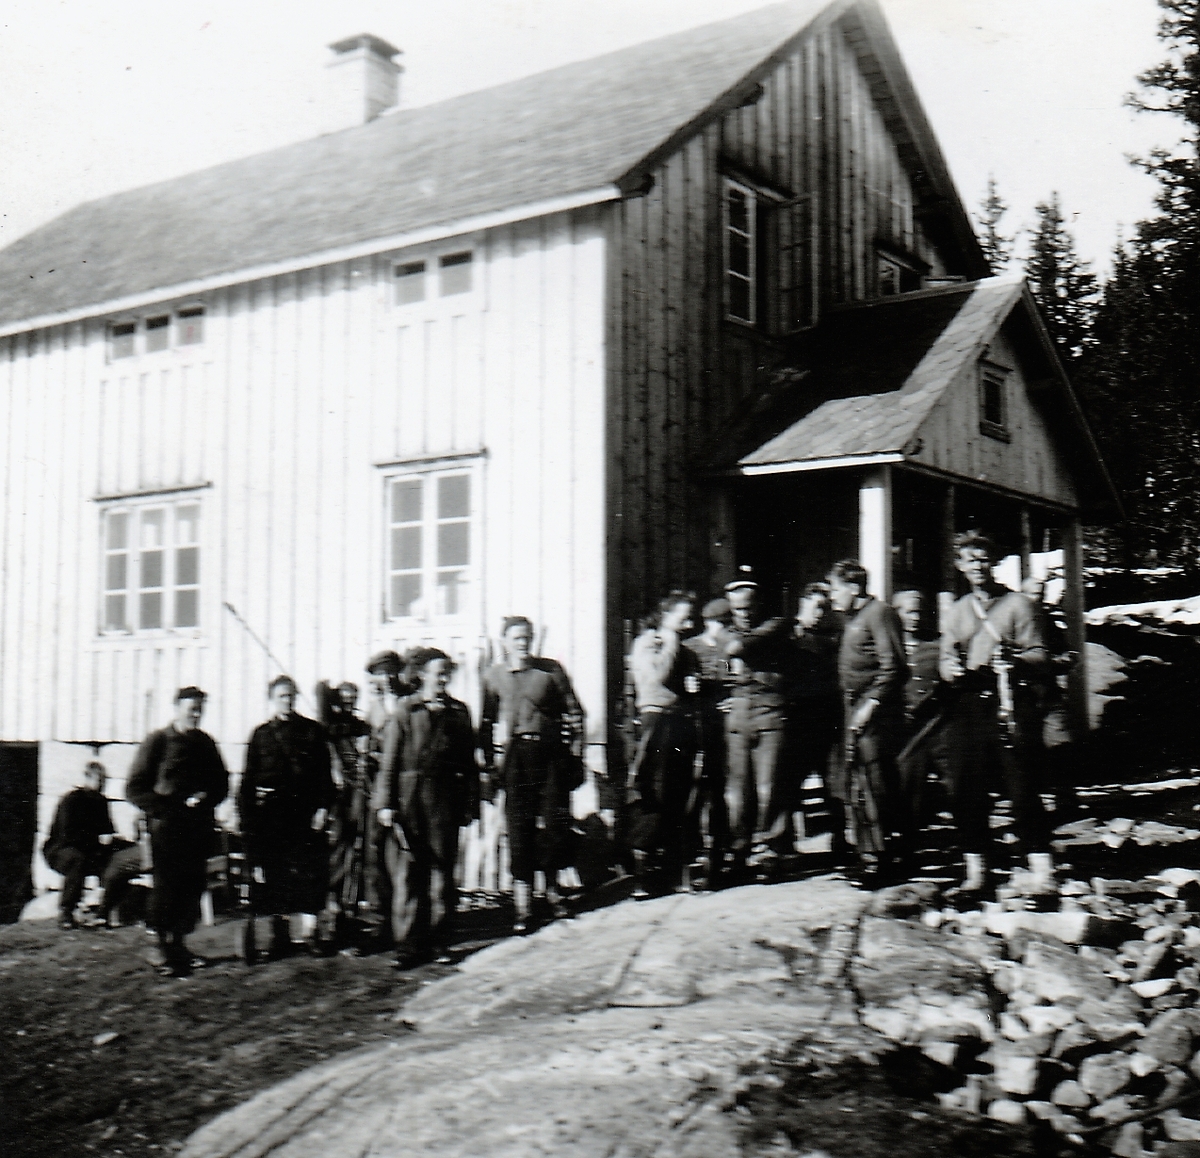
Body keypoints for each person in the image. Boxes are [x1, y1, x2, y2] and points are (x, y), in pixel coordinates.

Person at [940, 531, 1052, 893]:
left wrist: (1015, 660)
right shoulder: (957, 611)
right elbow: (946, 655)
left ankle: (1041, 869)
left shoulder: (1020, 605)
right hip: (969, 703)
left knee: (1022, 785)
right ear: (960, 566)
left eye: (983, 558)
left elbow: (1041, 655)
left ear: (994, 562)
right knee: (965, 787)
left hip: (1010, 701)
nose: (977, 566)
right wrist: (950, 669)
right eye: (969, 560)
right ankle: (977, 871)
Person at [374, 647, 478, 967]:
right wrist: (384, 804)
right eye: (438, 672)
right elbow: (389, 762)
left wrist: (470, 804)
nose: (444, 677)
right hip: (408, 801)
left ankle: (440, 941)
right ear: (421, 675)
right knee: (407, 873)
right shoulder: (406, 711)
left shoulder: (459, 713)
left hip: (444, 800)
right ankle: (408, 944)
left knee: (442, 873)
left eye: (448, 672)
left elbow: (468, 764)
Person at [480, 617, 584, 932]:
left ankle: (552, 893)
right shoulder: (494, 676)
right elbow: (486, 723)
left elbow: (576, 713)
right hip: (515, 758)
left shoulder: (551, 671)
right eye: (516, 638)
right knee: (519, 826)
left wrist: (574, 755)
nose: (522, 643)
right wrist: (488, 766)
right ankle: (523, 906)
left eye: (527, 637)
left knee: (554, 823)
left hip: (550, 755)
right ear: (505, 642)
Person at [126, 687, 229, 976]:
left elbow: (222, 784)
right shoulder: (158, 741)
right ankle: (158, 947)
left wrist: (205, 799)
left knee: (192, 887)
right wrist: (167, 807)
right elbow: (134, 788)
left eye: (199, 708)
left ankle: (180, 946)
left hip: (197, 828)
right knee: (166, 887)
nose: (195, 713)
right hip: (167, 829)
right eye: (190, 708)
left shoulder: (206, 743)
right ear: (176, 708)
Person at [239, 675, 336, 959]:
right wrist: (247, 818)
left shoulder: (312, 731)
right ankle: (278, 935)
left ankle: (310, 934)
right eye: (282, 695)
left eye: (291, 695)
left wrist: (323, 809)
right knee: (274, 875)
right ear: (272, 699)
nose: (288, 700)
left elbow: (325, 778)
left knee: (310, 873)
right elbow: (248, 781)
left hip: (306, 814)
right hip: (271, 815)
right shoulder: (261, 735)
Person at [828, 560, 908, 882]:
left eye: (835, 589)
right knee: (858, 784)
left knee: (875, 784)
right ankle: (869, 856)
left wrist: (870, 705)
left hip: (875, 714)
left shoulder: (880, 614)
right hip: (853, 709)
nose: (832, 597)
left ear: (854, 587)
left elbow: (895, 668)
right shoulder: (853, 618)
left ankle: (881, 861)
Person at [723, 573, 797, 874]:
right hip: (740, 716)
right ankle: (739, 850)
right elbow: (726, 653)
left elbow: (740, 648)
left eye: (748, 607)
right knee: (738, 792)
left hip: (769, 713)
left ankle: (770, 852)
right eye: (738, 609)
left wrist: (739, 643)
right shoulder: (729, 632)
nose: (744, 613)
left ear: (758, 605)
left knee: (771, 788)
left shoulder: (776, 625)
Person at [627, 591, 700, 896]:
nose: (689, 622)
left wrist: (712, 674)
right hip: (656, 721)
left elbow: (714, 670)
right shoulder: (648, 642)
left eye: (691, 617)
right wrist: (670, 637)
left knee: (680, 793)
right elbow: (658, 675)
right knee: (653, 792)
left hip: (682, 722)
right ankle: (644, 875)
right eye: (683, 616)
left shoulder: (686, 648)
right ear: (666, 615)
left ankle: (675, 872)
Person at [790, 583, 846, 860]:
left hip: (831, 717)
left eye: (824, 608)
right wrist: (727, 673)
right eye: (814, 607)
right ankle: (784, 843)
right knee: (790, 780)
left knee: (835, 781)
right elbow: (743, 660)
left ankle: (840, 837)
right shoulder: (789, 636)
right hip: (798, 717)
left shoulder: (836, 638)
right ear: (801, 605)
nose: (819, 613)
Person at [892, 587, 947, 865]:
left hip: (937, 727)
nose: (914, 617)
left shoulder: (938, 645)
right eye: (907, 611)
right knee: (907, 786)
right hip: (904, 730)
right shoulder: (890, 646)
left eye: (919, 611)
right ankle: (907, 844)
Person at [682, 598, 734, 887]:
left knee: (720, 792)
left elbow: (731, 677)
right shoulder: (691, 649)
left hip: (724, 729)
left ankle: (718, 855)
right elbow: (684, 685)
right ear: (708, 622)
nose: (722, 628)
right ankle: (696, 857)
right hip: (697, 729)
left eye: (726, 623)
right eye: (718, 623)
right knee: (696, 794)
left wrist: (729, 698)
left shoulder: (728, 648)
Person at [321, 679, 373, 941]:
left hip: (358, 795)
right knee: (336, 851)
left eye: (353, 698)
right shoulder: (327, 730)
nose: (349, 702)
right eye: (344, 698)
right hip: (336, 799)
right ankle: (332, 913)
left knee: (356, 851)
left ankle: (348, 913)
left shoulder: (361, 727)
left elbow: (367, 757)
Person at [43, 761, 116, 929]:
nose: (102, 784)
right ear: (88, 778)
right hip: (60, 849)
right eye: (99, 780)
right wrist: (97, 841)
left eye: (104, 780)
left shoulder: (101, 802)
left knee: (114, 858)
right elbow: (68, 834)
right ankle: (66, 912)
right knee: (77, 860)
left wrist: (110, 841)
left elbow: (107, 830)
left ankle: (103, 911)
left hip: (89, 848)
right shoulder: (72, 800)